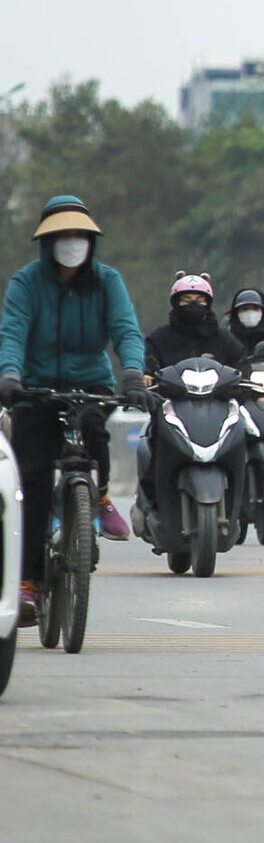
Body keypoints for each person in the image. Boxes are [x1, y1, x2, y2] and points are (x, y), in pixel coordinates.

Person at [0, 196, 146, 620]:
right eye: (63, 236)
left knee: (96, 430)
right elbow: (12, 334)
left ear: (90, 241)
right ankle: (26, 582)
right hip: (34, 388)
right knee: (33, 482)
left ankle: (98, 498)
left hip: (90, 383)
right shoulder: (26, 284)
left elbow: (126, 330)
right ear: (47, 241)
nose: (71, 243)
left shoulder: (107, 282)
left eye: (79, 236)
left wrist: (133, 373)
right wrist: (10, 377)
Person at [143, 273, 248, 374]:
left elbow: (241, 368)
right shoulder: (159, 339)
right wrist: (147, 374)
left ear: (208, 304)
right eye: (186, 300)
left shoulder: (224, 339)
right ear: (175, 303)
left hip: (219, 392)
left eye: (199, 300)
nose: (193, 304)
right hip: (169, 392)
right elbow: (147, 363)